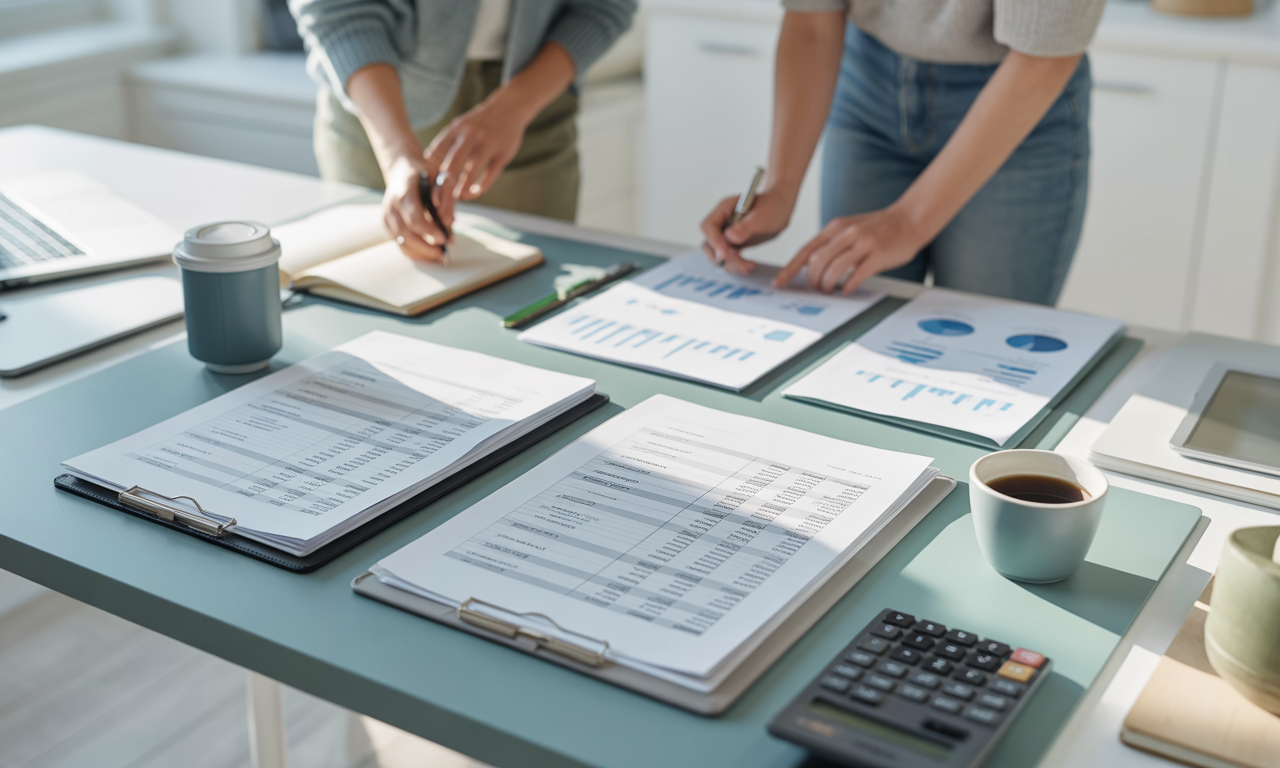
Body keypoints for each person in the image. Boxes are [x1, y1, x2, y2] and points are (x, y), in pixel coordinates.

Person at [699, 1, 1106, 306]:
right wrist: (781, 188)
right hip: (868, 75)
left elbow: (1044, 52)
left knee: (981, 336)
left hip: (1017, 90)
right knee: (849, 320)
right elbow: (812, 20)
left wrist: (910, 221)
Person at [292, 0, 636, 263]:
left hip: (535, 91)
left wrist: (512, 110)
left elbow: (605, 6)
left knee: (533, 291)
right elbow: (335, 8)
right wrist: (396, 153)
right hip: (375, 96)